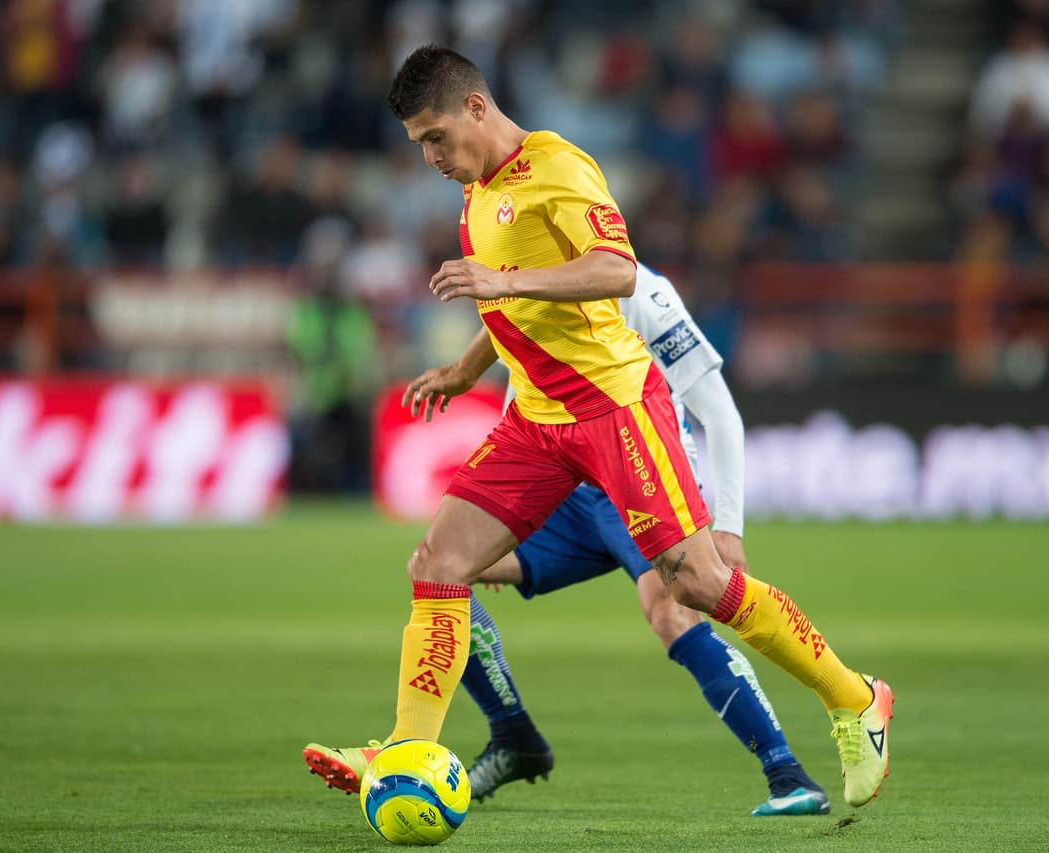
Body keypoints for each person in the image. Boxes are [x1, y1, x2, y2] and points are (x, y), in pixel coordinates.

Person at [303, 45, 893, 811]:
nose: (430, 157)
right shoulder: (479, 190)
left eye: (436, 137)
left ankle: (855, 698)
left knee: (697, 583)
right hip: (536, 422)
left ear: (476, 107)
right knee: (438, 562)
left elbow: (617, 268)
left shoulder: (557, 166)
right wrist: (468, 368)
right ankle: (406, 748)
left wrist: (499, 279)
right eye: (420, 143)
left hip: (615, 409)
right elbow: (516, 303)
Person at [461, 263, 830, 816]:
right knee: (446, 569)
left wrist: (728, 526)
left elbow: (719, 412)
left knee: (672, 612)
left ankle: (787, 774)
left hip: (638, 480)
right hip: (566, 490)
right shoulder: (523, 280)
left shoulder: (644, 292)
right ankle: (513, 737)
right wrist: (508, 515)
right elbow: (518, 381)